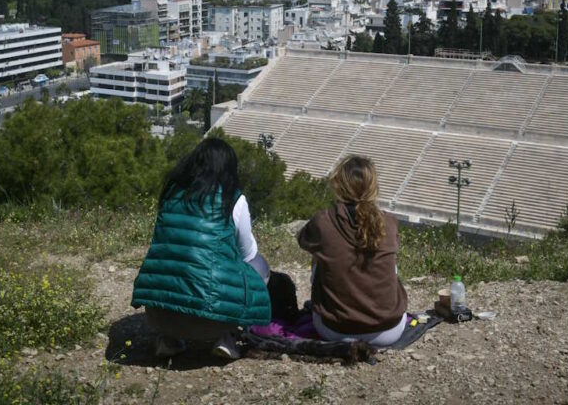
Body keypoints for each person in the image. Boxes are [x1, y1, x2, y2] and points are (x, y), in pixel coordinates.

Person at [131, 137, 271, 360]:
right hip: (211, 322)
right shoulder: (232, 199)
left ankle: (169, 339)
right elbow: (248, 254)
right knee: (260, 265)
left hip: (159, 316)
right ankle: (228, 337)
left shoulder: (171, 194)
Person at [297, 155, 408, 347]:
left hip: (335, 331)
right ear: (374, 187)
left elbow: (303, 240)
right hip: (388, 331)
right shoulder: (389, 223)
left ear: (338, 185)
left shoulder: (323, 222)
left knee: (319, 256)